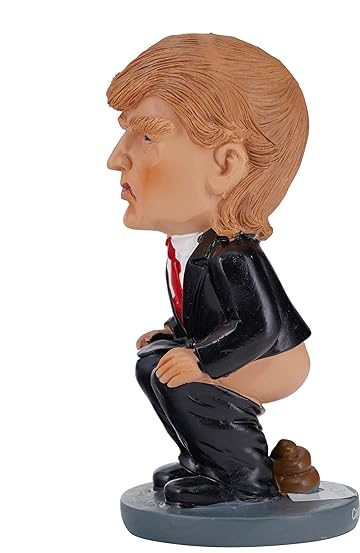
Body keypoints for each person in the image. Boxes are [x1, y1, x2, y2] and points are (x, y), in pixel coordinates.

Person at [106, 33, 314, 507]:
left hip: (267, 357)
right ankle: (204, 460)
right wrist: (176, 333)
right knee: (153, 365)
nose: (116, 158)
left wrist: (200, 360)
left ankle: (245, 477)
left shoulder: (233, 255)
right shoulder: (189, 246)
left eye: (147, 136)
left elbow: (261, 326)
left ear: (225, 166)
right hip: (232, 344)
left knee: (185, 382)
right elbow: (208, 308)